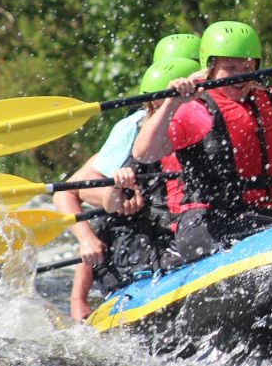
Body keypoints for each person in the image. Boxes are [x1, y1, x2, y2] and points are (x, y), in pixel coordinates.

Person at [132, 20, 272, 261]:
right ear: (211, 67)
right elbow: (144, 153)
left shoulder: (270, 99)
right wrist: (171, 103)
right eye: (231, 67)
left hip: (264, 216)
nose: (240, 76)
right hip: (209, 223)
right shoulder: (195, 108)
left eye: (247, 67)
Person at [54, 56, 199, 320]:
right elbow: (69, 191)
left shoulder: (208, 117)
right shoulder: (132, 129)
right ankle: (79, 300)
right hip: (133, 236)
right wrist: (88, 240)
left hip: (179, 227)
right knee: (110, 218)